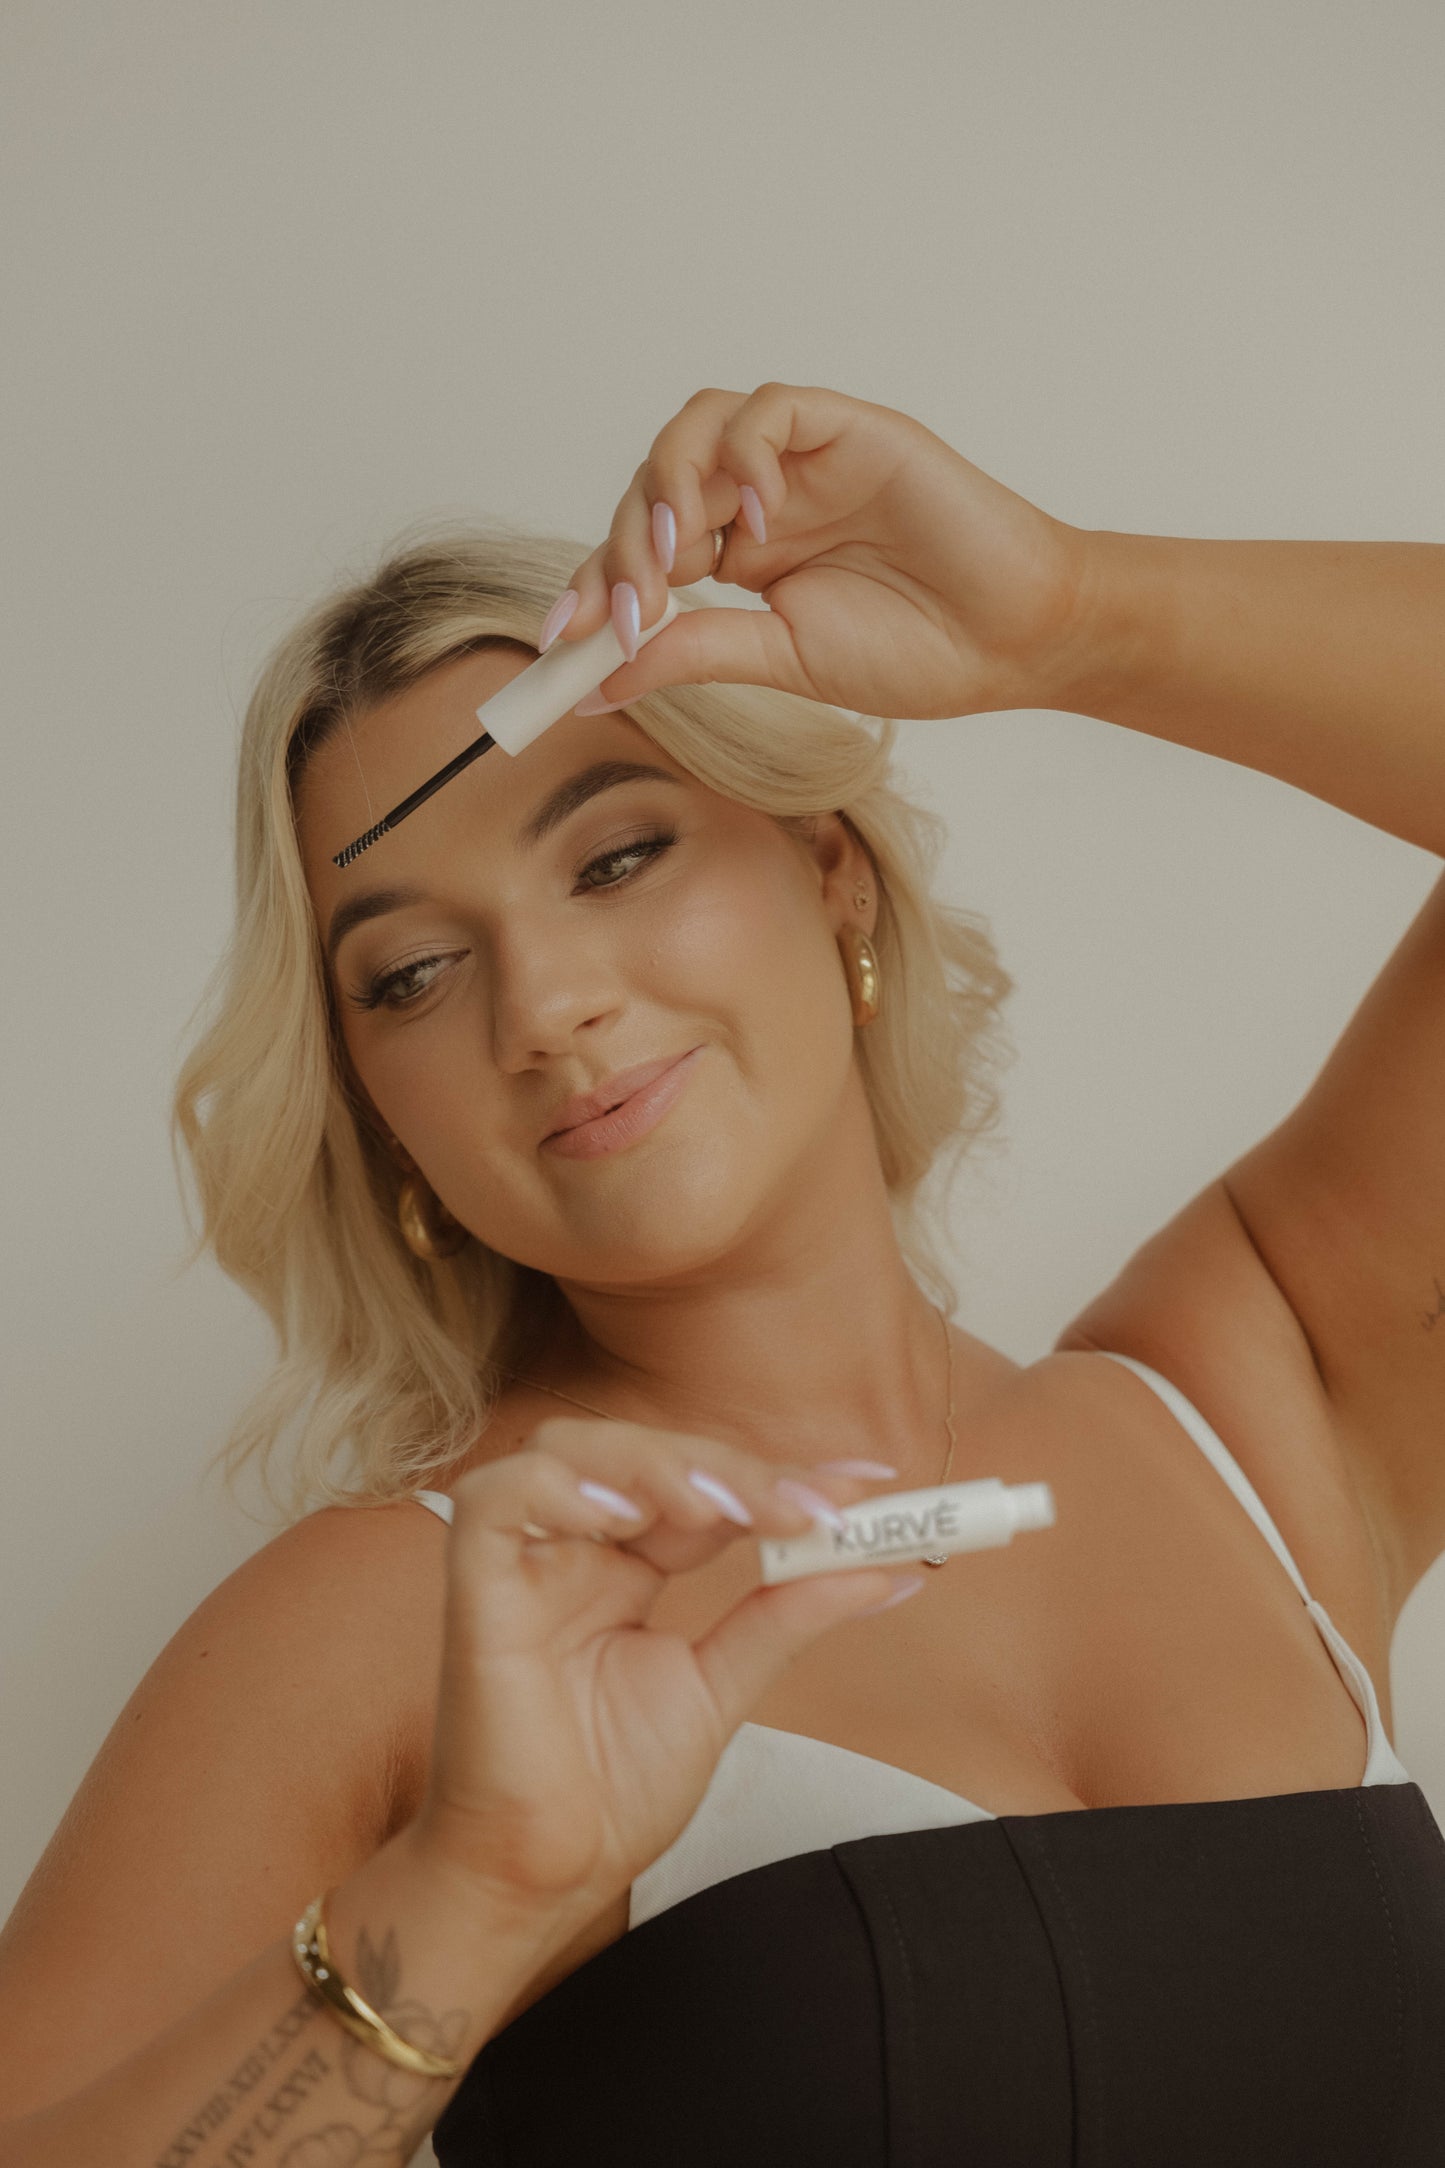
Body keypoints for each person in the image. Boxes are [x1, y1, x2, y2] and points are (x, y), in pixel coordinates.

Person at [1, 380, 1442, 2165]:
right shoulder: (392, 1629)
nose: (545, 1008)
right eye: (411, 975)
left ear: (829, 875)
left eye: (615, 854)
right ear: (381, 1125)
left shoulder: (1253, 1404)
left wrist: (1065, 611)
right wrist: (464, 1900)